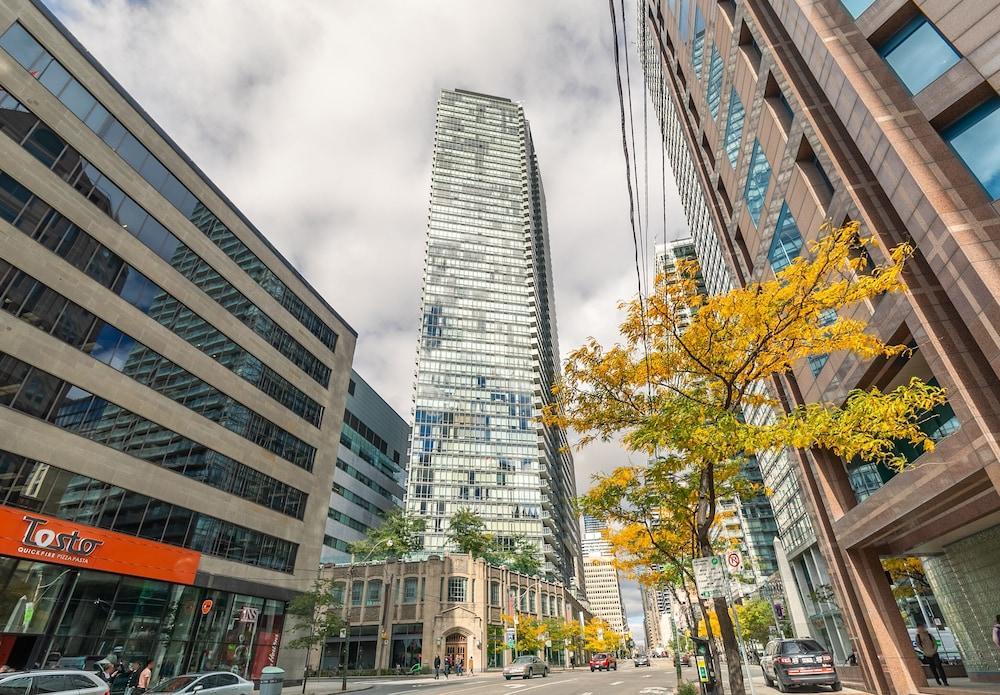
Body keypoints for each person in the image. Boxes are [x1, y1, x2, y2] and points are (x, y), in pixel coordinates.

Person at [916, 622, 948, 686]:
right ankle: (937, 680)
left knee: (939, 666)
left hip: (934, 653)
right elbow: (918, 645)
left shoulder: (929, 635)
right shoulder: (918, 637)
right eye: (920, 627)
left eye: (922, 627)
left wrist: (934, 650)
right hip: (927, 655)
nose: (922, 628)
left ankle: (944, 681)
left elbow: (935, 643)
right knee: (933, 668)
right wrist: (924, 650)